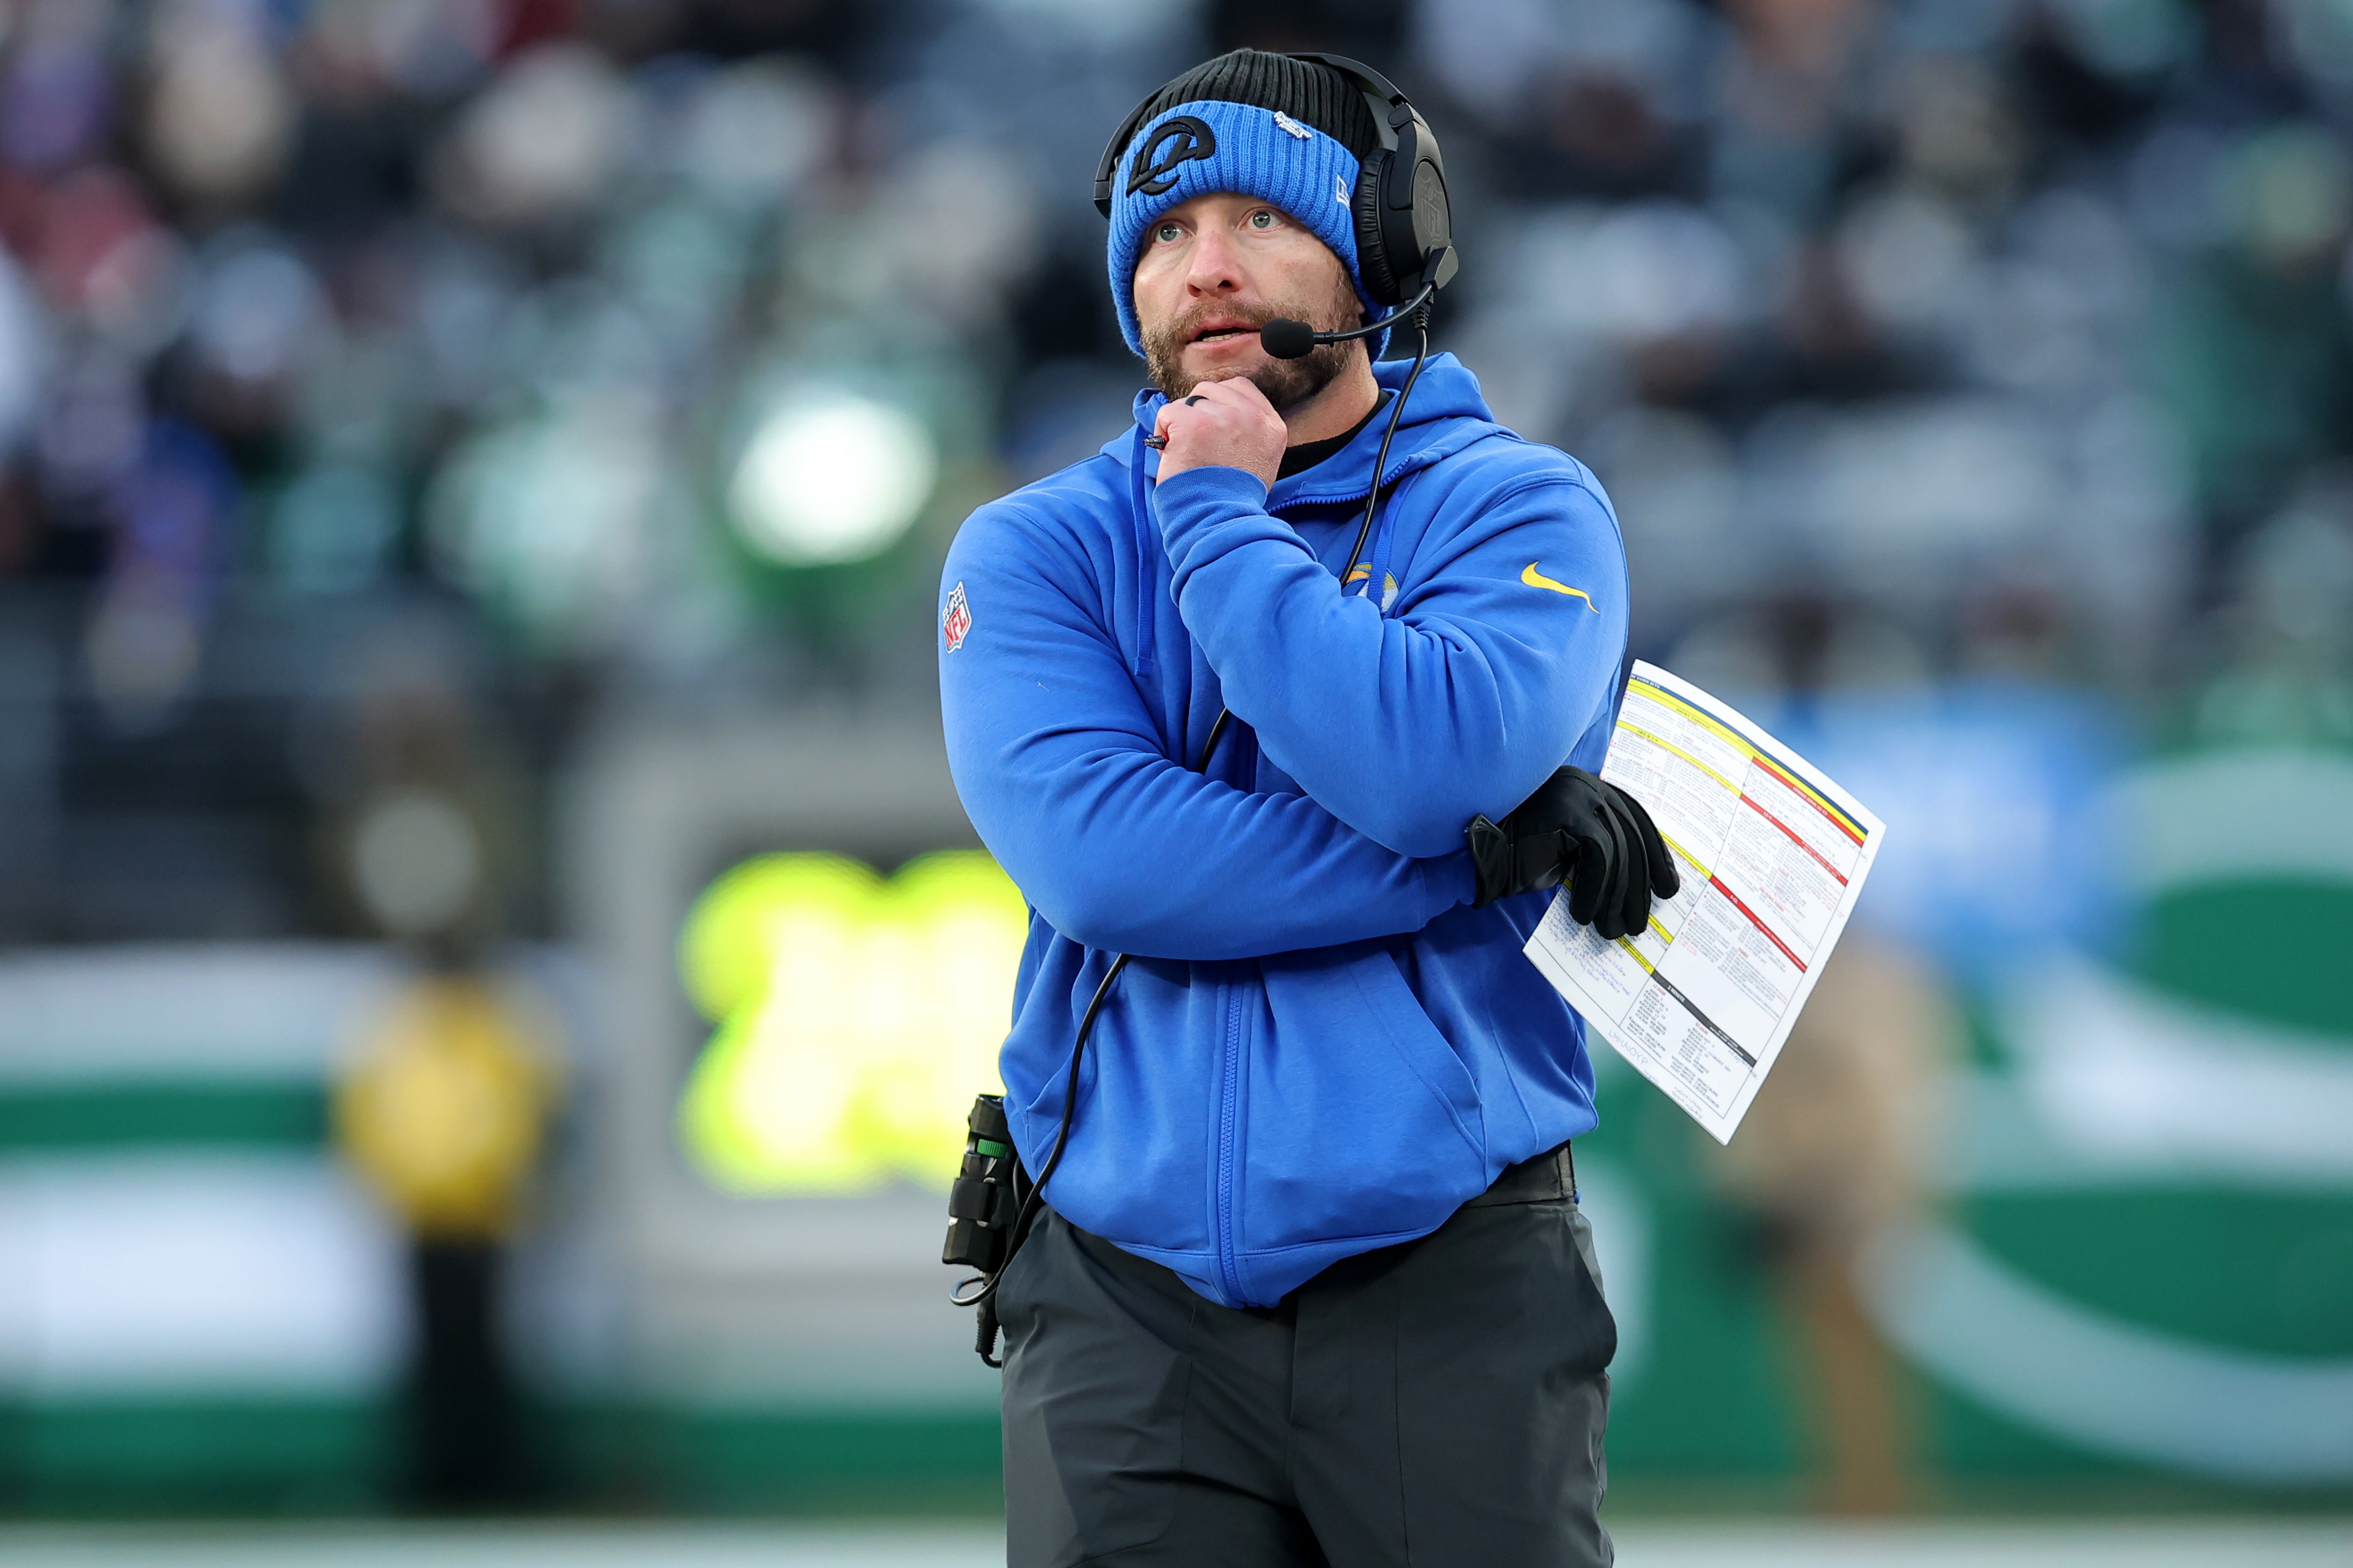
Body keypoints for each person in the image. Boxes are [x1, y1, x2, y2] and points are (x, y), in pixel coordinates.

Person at [937, 49, 1678, 1567]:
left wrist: (1212, 513)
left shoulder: (1520, 506)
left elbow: (1426, 765)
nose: (1198, 269)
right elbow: (1107, 867)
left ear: (1382, 252)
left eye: (1250, 221)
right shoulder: (1032, 550)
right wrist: (1475, 864)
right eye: (1157, 234)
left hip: (1448, 1268)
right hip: (1117, 1294)